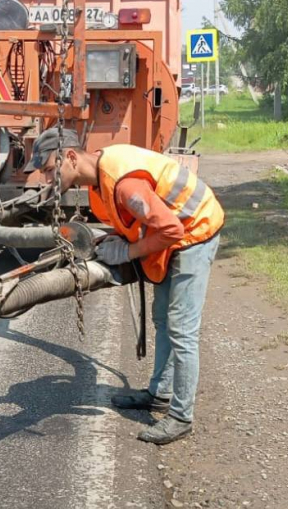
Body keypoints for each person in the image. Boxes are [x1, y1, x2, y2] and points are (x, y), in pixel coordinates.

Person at [28, 128, 225, 444]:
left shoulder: (124, 184)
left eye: (50, 170)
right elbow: (135, 222)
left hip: (194, 230)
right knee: (162, 320)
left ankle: (180, 416)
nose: (47, 179)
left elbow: (171, 229)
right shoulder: (98, 183)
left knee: (182, 330)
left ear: (72, 157)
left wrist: (130, 251)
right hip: (173, 233)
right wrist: (116, 239)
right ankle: (160, 394)